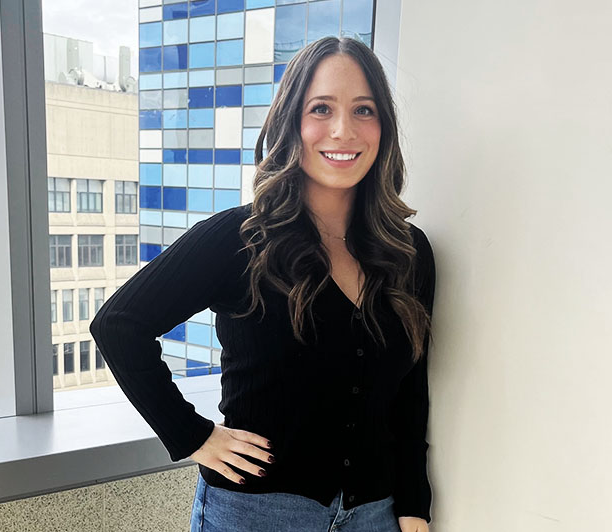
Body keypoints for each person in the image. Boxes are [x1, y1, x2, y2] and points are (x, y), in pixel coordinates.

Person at [90, 36, 435, 532]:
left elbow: (409, 393)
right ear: (291, 121)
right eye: (321, 108)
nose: (343, 130)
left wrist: (413, 505)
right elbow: (119, 324)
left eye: (364, 109)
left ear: (384, 127)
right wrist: (192, 435)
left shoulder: (409, 252)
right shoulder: (241, 238)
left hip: (375, 513)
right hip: (258, 513)